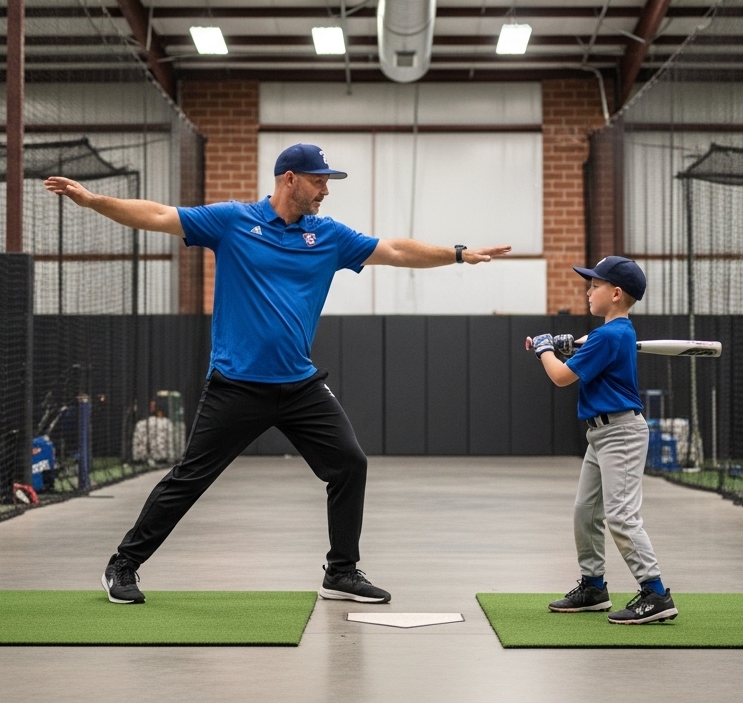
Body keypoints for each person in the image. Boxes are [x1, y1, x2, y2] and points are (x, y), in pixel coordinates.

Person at [44, 143, 510, 605]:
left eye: (328, 181)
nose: (325, 190)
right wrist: (92, 201)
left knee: (350, 463)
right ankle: (123, 564)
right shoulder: (232, 221)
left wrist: (457, 254)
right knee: (189, 478)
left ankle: (341, 571)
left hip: (299, 385)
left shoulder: (327, 235)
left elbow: (393, 249)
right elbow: (158, 216)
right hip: (236, 385)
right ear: (290, 179)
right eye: (319, 180)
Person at [527, 256, 677, 625]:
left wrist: (546, 348)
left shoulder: (610, 335)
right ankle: (594, 586)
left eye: (594, 286)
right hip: (601, 434)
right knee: (585, 512)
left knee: (621, 516)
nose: (588, 291)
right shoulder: (615, 333)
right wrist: (569, 344)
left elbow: (562, 377)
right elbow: (588, 347)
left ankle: (656, 593)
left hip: (621, 433)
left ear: (615, 293)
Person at [131, 400, 174, 467]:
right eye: (151, 406)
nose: (152, 407)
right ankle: (143, 458)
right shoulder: (144, 418)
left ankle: (160, 458)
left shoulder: (161, 414)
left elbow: (161, 416)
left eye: (154, 406)